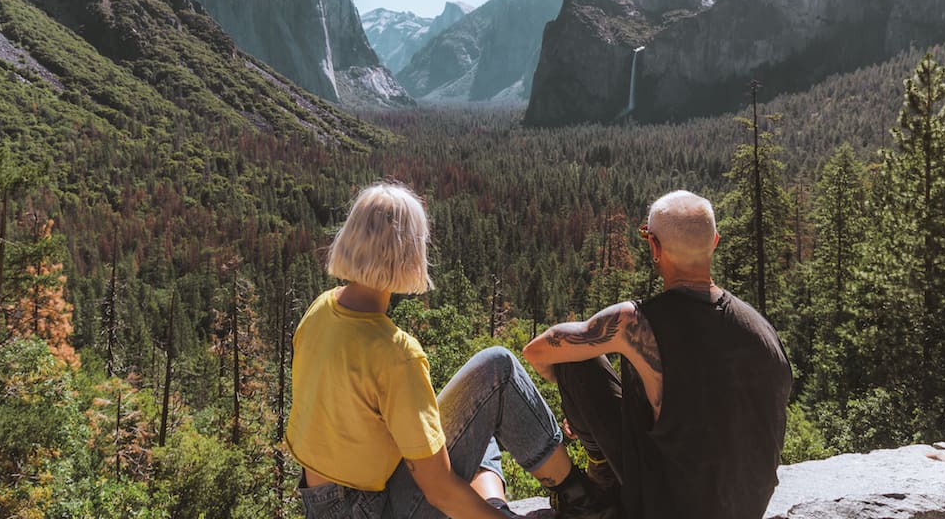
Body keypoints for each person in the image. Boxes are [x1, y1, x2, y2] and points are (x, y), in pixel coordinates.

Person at [286, 182, 618, 519]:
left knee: (468, 419)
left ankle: (510, 504)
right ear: (410, 253)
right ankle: (581, 499)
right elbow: (439, 489)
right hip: (369, 509)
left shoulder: (321, 309)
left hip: (325, 504)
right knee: (498, 370)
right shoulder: (395, 353)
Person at [523, 190, 792, 519]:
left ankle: (601, 483)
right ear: (715, 243)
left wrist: (578, 408)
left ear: (654, 246)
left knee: (578, 358)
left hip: (665, 507)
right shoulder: (763, 331)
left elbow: (536, 350)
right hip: (746, 508)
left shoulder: (635, 322)